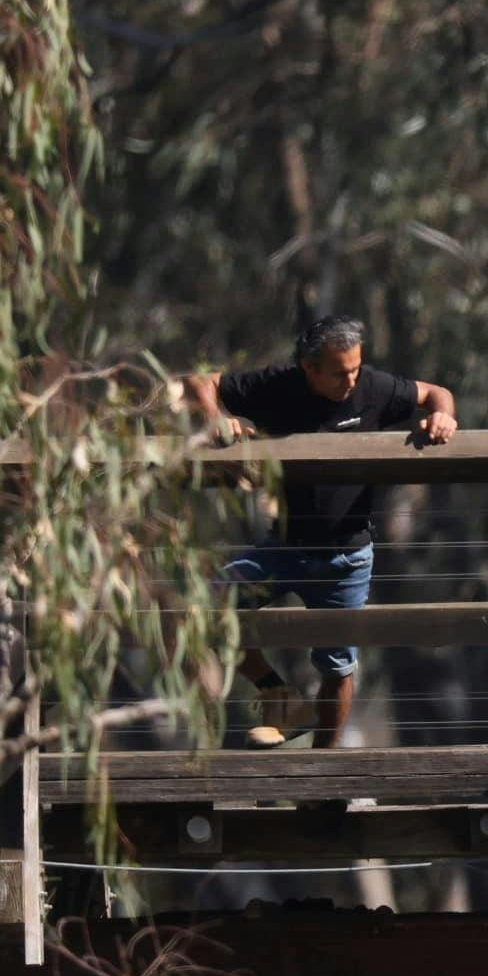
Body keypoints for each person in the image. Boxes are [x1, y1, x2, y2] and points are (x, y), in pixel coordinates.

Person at [180, 315, 458, 748]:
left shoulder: (373, 386)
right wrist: (217, 418)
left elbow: (436, 393)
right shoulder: (278, 385)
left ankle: (323, 768)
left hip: (346, 557)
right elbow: (200, 381)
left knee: (337, 667)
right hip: (284, 547)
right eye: (339, 372)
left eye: (356, 368)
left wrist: (443, 417)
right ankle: (277, 693)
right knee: (208, 607)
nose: (351, 380)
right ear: (308, 368)